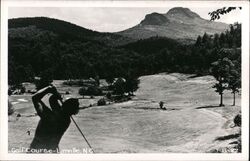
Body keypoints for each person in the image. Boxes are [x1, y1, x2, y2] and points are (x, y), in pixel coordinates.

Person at [28, 85, 79, 153]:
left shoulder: (49, 116)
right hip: (53, 150)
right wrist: (55, 95)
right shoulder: (67, 120)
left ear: (63, 106)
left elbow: (35, 98)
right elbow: (53, 102)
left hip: (38, 149)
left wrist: (48, 89)